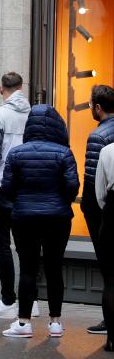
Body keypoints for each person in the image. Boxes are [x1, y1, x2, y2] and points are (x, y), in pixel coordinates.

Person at [0, 104, 79, 339]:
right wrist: (60, 201)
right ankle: (55, 322)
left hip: (24, 217)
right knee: (55, 268)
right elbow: (73, 186)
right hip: (58, 218)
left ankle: (23, 323)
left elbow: (6, 189)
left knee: (27, 269)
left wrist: (22, 201)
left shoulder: (16, 153)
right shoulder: (63, 152)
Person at [0, 73, 32, 318]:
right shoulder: (32, 113)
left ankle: (8, 301)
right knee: (26, 245)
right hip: (25, 186)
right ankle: (30, 302)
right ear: (21, 88)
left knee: (1, 245)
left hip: (0, 185)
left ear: (1, 89)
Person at [82, 85, 114, 335]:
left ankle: (109, 322)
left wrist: (91, 209)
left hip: (104, 211)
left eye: (91, 103)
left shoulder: (98, 136)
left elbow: (95, 184)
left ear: (98, 107)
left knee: (108, 269)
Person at [96, 142, 114, 351]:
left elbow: (100, 193)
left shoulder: (107, 151)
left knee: (111, 279)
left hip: (113, 212)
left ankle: (112, 338)